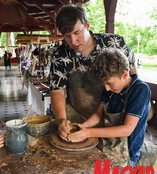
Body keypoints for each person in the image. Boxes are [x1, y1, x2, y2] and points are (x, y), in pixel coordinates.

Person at [49, 4, 136, 141]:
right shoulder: (59, 56)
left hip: (113, 116)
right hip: (78, 116)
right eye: (67, 36)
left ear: (87, 26)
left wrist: (131, 114)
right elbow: (57, 91)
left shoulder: (115, 43)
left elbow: (132, 77)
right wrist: (61, 120)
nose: (73, 41)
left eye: (77, 33)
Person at [67, 48, 151, 166]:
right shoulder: (110, 88)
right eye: (104, 84)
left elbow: (127, 129)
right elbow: (97, 114)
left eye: (109, 83)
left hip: (127, 150)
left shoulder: (140, 90)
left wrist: (88, 133)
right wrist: (82, 127)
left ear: (125, 75)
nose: (106, 88)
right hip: (108, 142)